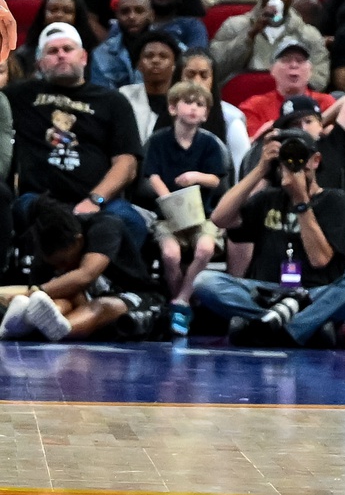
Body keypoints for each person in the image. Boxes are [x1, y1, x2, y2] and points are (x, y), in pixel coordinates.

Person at [195, 128, 345, 347]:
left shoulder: (335, 200)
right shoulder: (268, 197)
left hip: (314, 292)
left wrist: (301, 201)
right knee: (205, 282)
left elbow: (319, 260)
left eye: (301, 157)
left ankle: (274, 327)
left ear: (316, 160)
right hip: (264, 291)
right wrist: (260, 169)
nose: (294, 163)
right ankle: (304, 325)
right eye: (287, 158)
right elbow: (219, 219)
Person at [3, 22, 148, 249]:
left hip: (101, 201)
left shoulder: (113, 101)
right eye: (52, 51)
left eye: (67, 49)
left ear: (84, 57)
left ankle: (114, 283)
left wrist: (95, 199)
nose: (61, 55)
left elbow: (126, 163)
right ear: (40, 63)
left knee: (131, 222)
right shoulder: (18, 97)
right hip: (37, 201)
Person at [0, 195, 163, 343]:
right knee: (55, 301)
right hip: (83, 303)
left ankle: (61, 329)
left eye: (64, 261)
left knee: (100, 304)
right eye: (54, 264)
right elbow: (43, 298)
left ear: (78, 241)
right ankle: (25, 326)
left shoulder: (105, 225)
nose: (60, 268)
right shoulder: (44, 254)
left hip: (136, 296)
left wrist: (32, 293)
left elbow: (86, 275)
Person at [144, 80, 230, 337]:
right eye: (188, 102)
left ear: (205, 114)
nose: (193, 108)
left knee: (205, 248)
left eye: (199, 105)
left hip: (200, 216)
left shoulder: (210, 144)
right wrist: (169, 200)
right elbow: (152, 175)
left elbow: (216, 179)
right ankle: (181, 301)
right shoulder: (159, 141)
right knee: (171, 255)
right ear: (173, 108)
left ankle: (181, 300)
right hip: (168, 218)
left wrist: (196, 177)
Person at [211, 0, 330, 89]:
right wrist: (249, 35)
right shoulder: (233, 26)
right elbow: (215, 69)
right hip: (242, 99)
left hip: (288, 101)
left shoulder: (309, 34)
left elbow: (320, 78)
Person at [236, 36, 337, 132]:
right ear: (272, 69)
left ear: (310, 70)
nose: (293, 65)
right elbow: (250, 146)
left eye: (300, 60)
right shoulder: (254, 106)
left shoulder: (326, 103)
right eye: (286, 60)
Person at [116, 31, 182, 144]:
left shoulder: (183, 99)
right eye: (149, 56)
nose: (155, 61)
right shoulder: (123, 96)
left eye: (163, 56)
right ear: (139, 65)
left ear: (174, 65)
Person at [90, 0, 156, 89]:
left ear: (151, 15)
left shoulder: (171, 48)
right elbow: (101, 96)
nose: (132, 17)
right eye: (125, 12)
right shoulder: (101, 53)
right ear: (117, 16)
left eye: (139, 11)